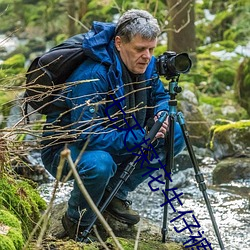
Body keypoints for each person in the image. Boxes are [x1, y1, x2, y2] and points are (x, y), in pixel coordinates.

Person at [41, 9, 185, 241]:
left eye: (151, 49)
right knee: (100, 164)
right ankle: (76, 221)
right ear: (119, 43)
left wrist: (161, 113)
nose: (147, 56)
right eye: (140, 49)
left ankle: (115, 194)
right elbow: (86, 135)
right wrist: (142, 136)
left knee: (175, 132)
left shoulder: (146, 64)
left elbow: (159, 96)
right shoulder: (92, 75)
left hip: (118, 136)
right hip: (67, 150)